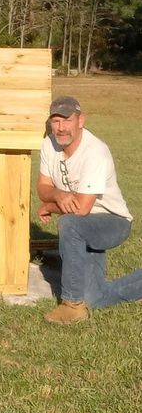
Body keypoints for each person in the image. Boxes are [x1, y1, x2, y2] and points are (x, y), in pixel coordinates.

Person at [37, 95, 142, 324]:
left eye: (67, 120)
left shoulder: (95, 151)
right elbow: (43, 188)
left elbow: (82, 209)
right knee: (95, 299)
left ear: (80, 120)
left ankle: (72, 305)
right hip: (86, 224)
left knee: (70, 224)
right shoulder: (49, 144)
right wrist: (57, 195)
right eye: (55, 121)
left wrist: (49, 206)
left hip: (113, 222)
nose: (61, 128)